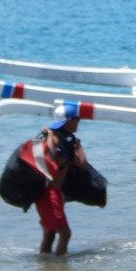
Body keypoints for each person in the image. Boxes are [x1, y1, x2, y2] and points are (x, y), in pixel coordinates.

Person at [35, 108, 87, 256]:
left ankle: (46, 268)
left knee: (50, 233)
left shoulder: (53, 137)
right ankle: (59, 270)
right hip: (50, 195)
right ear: (68, 121)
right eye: (76, 118)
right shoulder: (63, 141)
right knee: (65, 234)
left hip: (45, 193)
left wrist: (50, 135)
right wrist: (77, 144)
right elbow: (82, 163)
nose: (79, 121)